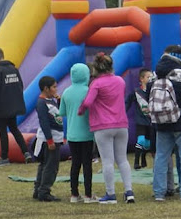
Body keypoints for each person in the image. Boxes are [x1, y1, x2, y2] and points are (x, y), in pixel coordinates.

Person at [78, 52, 135, 205]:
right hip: (121, 124)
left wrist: (81, 109)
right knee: (122, 159)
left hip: (103, 125)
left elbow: (88, 102)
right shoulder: (120, 81)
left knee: (107, 161)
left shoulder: (96, 83)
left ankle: (110, 193)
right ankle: (129, 191)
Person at [151, 45, 181, 202]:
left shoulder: (155, 75)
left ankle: (159, 192)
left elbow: (148, 95)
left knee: (161, 157)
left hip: (161, 122)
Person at [0, 48, 32, 166]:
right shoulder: (14, 69)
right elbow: (20, 86)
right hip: (13, 107)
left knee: (3, 132)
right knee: (15, 129)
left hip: (0, 108)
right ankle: (26, 152)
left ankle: (4, 157)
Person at [59, 63, 98, 204]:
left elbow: (61, 112)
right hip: (87, 134)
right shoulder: (89, 91)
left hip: (72, 135)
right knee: (87, 164)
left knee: (75, 164)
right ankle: (88, 195)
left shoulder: (66, 92)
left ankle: (74, 194)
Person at [33, 76, 63, 202]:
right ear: (46, 88)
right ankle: (44, 191)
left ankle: (39, 189)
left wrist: (60, 101)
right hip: (49, 139)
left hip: (56, 137)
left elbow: (60, 113)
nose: (56, 89)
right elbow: (44, 122)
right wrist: (50, 140)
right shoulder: (42, 103)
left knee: (45, 165)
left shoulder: (52, 100)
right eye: (54, 87)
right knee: (50, 166)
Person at [125, 68, 152, 170]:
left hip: (150, 121)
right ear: (141, 79)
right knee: (140, 140)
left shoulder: (153, 91)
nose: (150, 79)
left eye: (151, 77)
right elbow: (127, 102)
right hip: (140, 121)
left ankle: (143, 157)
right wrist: (123, 112)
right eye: (148, 77)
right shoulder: (136, 92)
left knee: (148, 143)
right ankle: (136, 162)